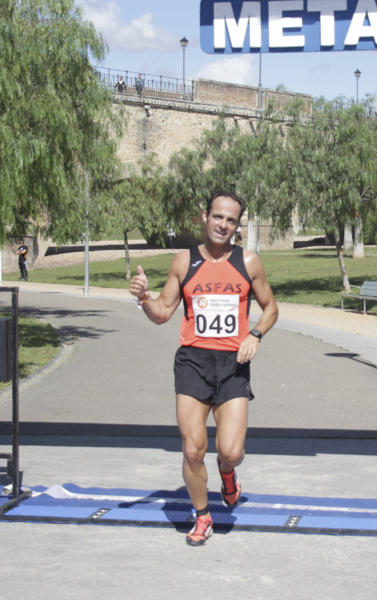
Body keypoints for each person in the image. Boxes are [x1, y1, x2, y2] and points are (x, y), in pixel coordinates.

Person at [129, 191, 278, 546]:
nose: (223, 225)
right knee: (193, 449)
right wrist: (144, 298)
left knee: (230, 450)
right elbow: (163, 313)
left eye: (231, 220)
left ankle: (227, 473)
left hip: (233, 365)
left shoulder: (249, 262)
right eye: (217, 217)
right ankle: (202, 515)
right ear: (204, 217)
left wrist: (255, 334)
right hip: (193, 362)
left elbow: (271, 307)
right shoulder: (184, 262)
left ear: (237, 226)